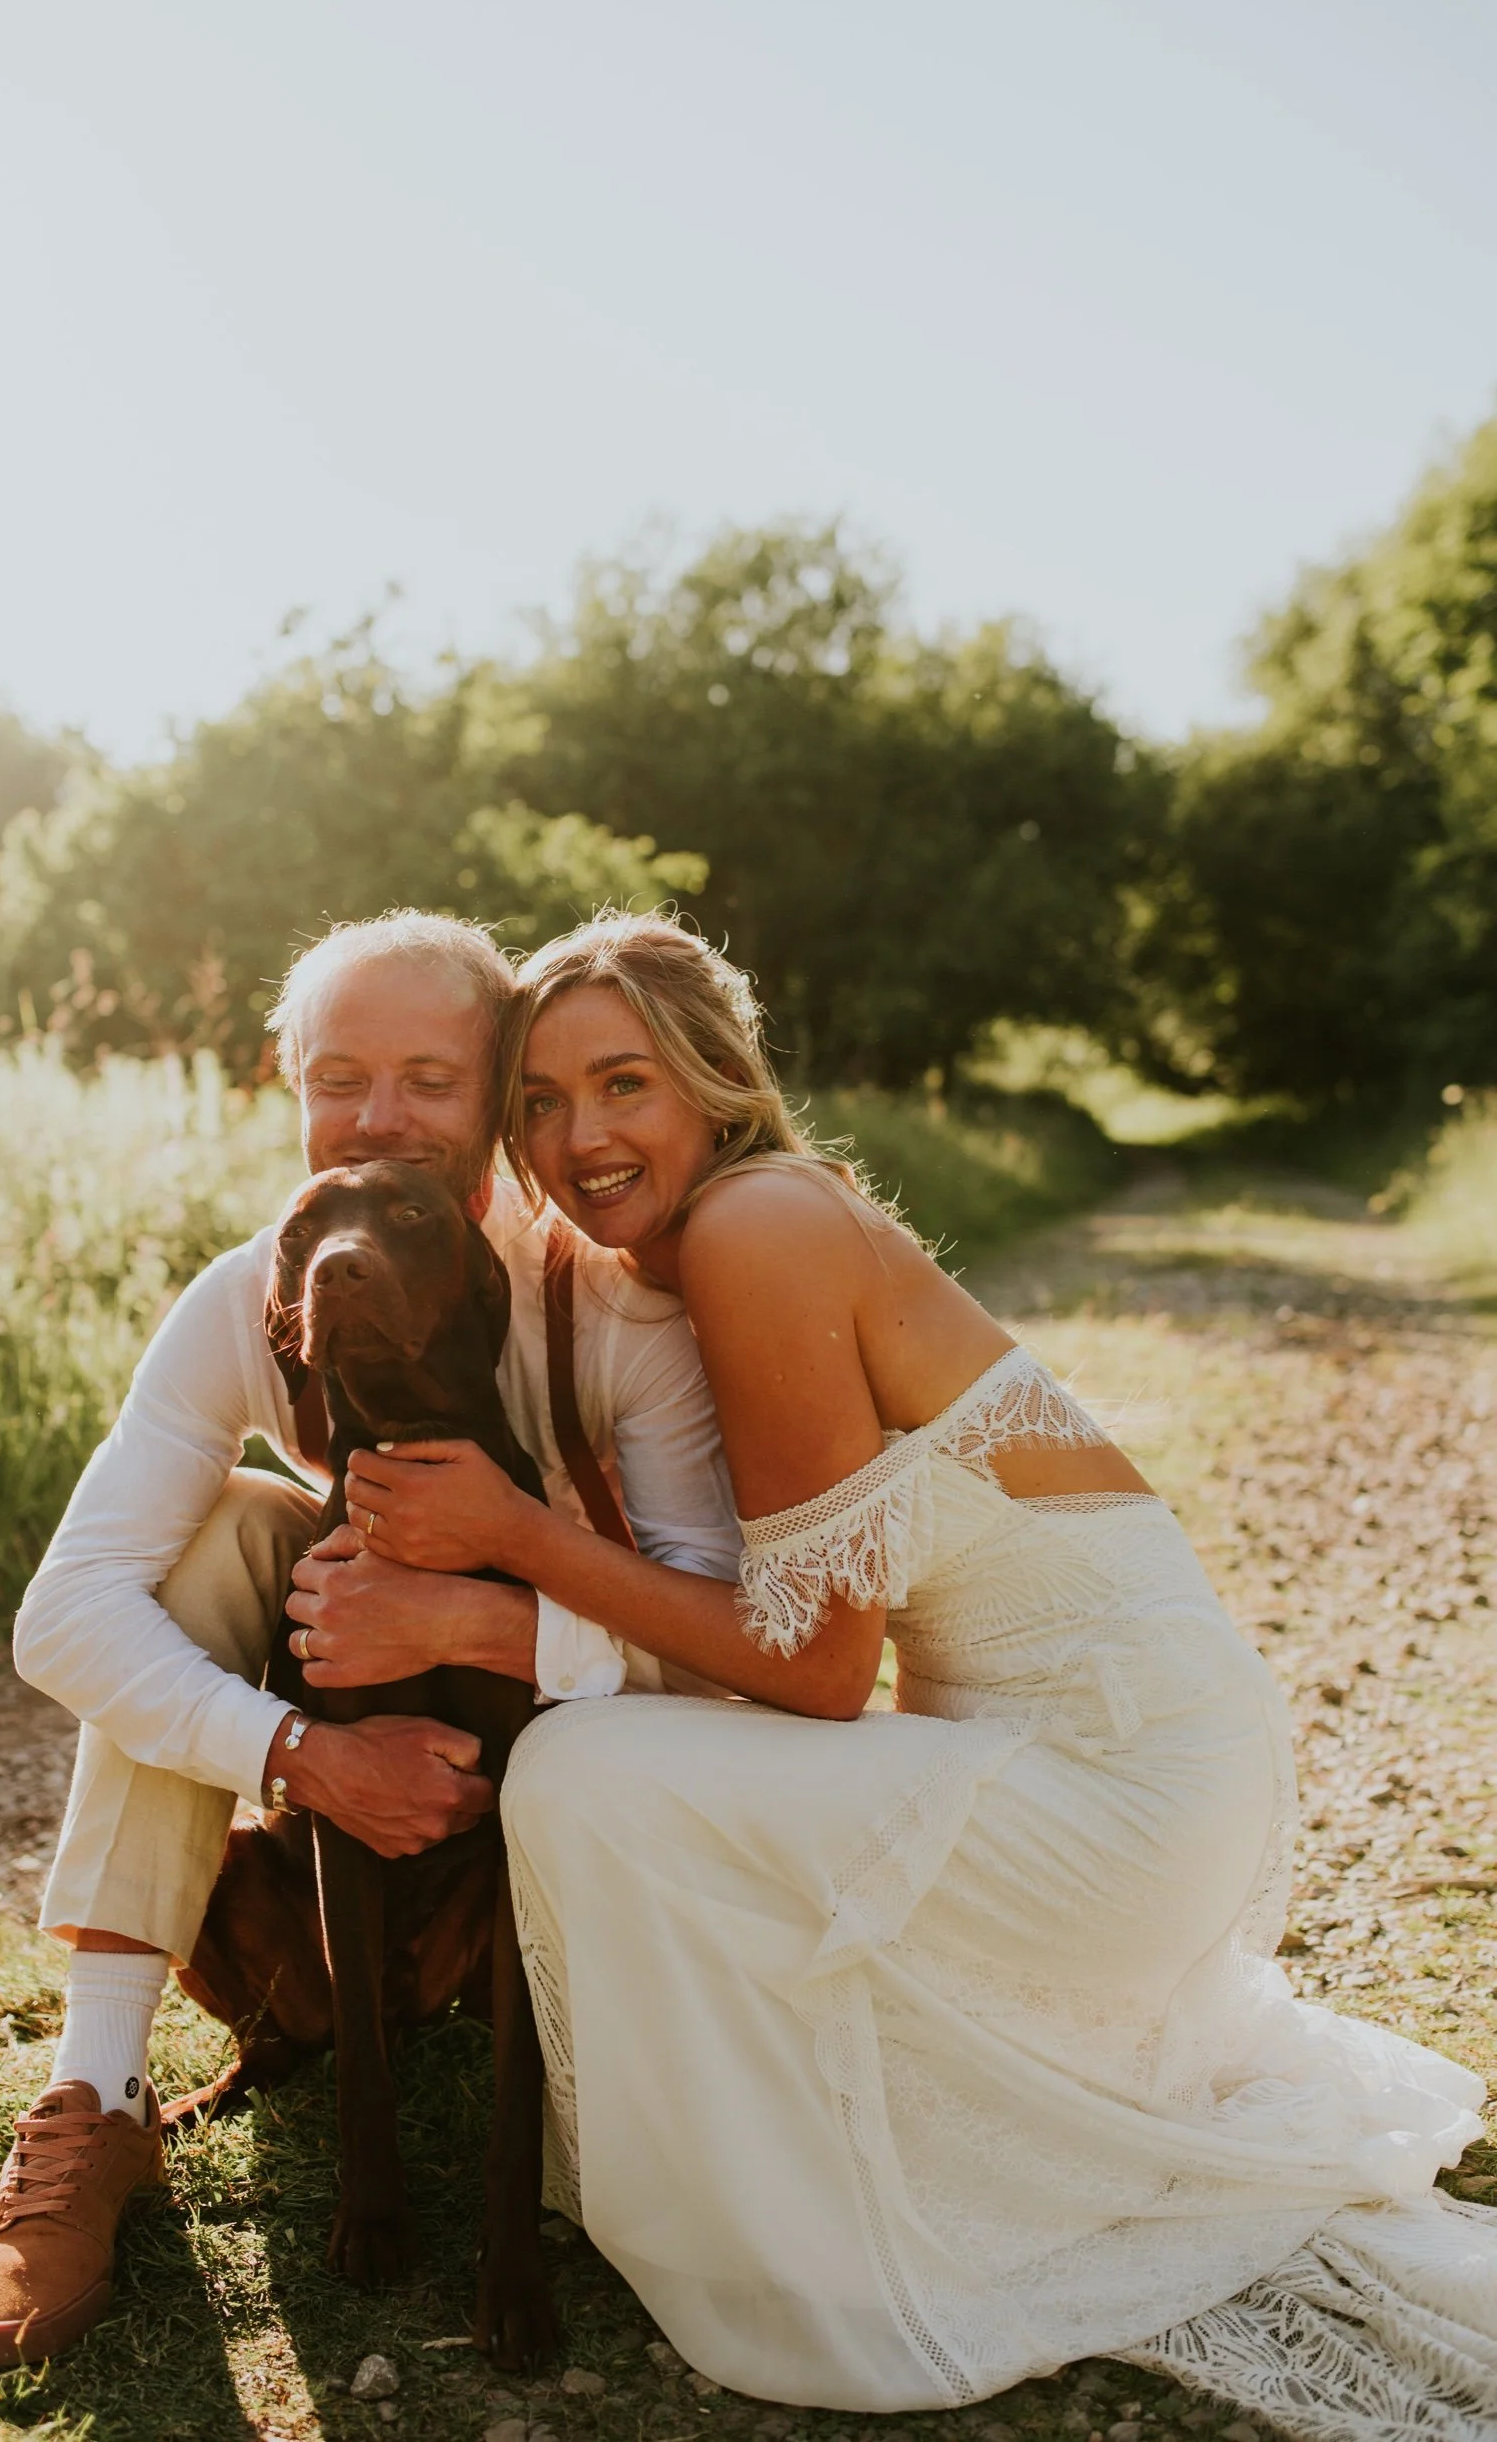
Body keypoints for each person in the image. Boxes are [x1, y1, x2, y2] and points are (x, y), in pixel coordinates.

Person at [344, 912, 1497, 2441]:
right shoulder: (730, 1236)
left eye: (622, 1084)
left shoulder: (758, 1231)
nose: (580, 1136)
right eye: (539, 1105)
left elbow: (816, 1674)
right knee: (660, 1776)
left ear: (711, 1077)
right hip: (1107, 1759)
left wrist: (505, 1548)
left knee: (576, 1775)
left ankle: (770, 2225)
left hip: (1113, 1794)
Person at [0, 910, 741, 2370]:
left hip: (584, 1753)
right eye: (339, 1078)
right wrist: (302, 1756)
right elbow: (63, 1614)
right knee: (205, 1536)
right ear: (288, 1086)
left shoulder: (617, 1302)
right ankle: (96, 2096)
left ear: (501, 1087)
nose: (378, 1117)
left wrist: (490, 1613)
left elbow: (728, 1639)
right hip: (360, 1733)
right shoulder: (263, 1285)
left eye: (430, 1079)